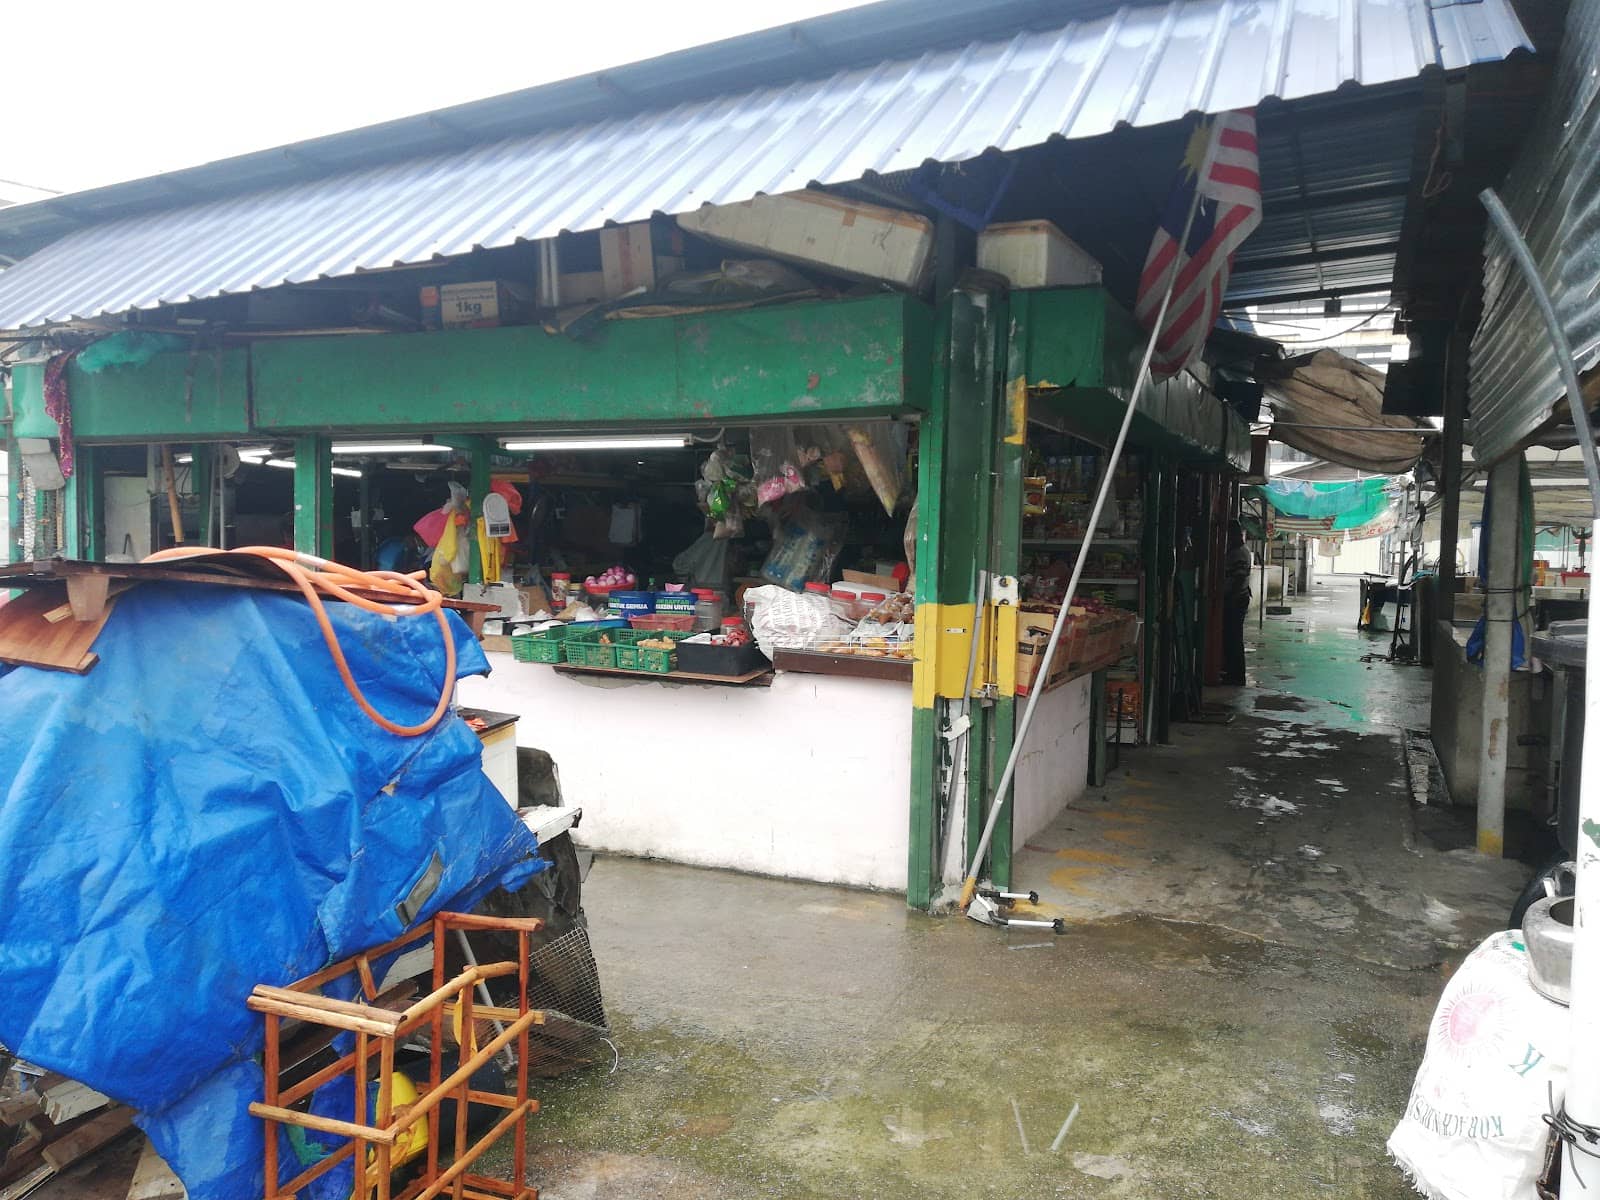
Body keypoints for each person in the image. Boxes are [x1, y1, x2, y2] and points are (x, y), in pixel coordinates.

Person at [1222, 520, 1253, 686]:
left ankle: (1236, 675)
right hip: (1239, 597)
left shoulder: (1239, 553)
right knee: (1232, 637)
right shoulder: (1240, 551)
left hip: (1236, 599)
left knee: (1233, 638)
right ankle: (1233, 672)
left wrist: (1230, 598)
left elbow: (1239, 577)